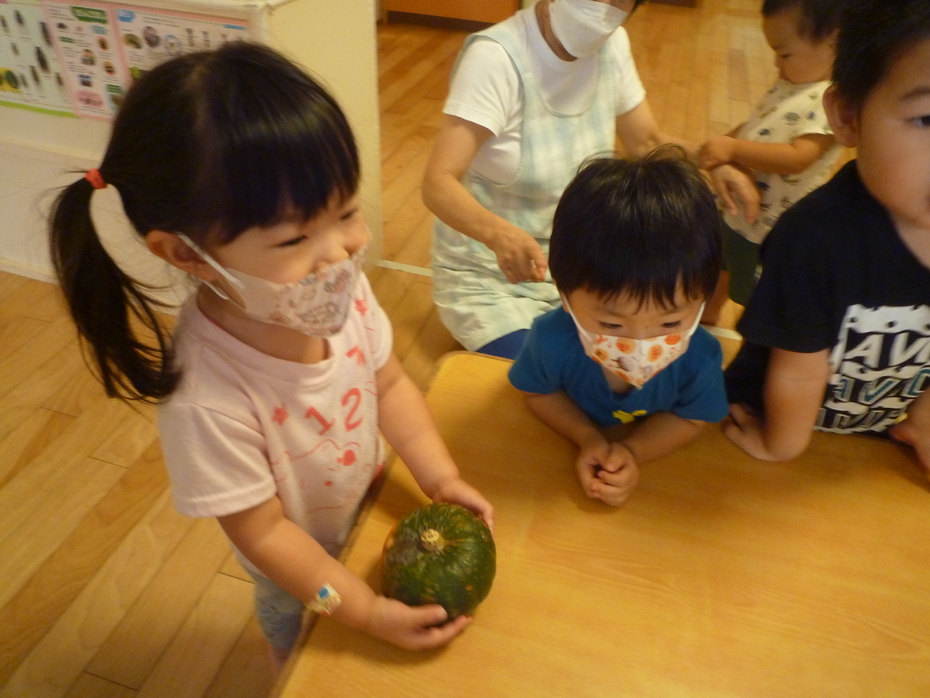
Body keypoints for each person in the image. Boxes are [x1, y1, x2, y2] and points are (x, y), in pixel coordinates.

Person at [47, 43, 494, 667]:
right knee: (306, 653)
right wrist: (361, 610)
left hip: (370, 516)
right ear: (186, 254)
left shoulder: (340, 293)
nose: (340, 253)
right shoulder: (207, 399)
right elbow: (263, 534)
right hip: (302, 576)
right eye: (294, 238)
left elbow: (389, 385)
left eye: (347, 212)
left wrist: (439, 477)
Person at [723, 0, 930, 482]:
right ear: (847, 116)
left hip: (863, 441)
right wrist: (780, 445)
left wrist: (922, 423)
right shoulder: (815, 239)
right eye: (927, 120)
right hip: (769, 421)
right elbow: (798, 369)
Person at [424, 0, 702, 359]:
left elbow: (647, 142)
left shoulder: (612, 43)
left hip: (582, 265)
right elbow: (438, 181)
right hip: (494, 275)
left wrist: (717, 158)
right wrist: (499, 234)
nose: (604, 5)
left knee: (646, 360)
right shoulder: (496, 57)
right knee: (564, 371)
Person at [508, 147, 729, 507]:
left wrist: (634, 450)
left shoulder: (701, 359)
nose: (639, 342)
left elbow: (690, 418)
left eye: (670, 322)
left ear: (704, 297)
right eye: (612, 323)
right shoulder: (550, 340)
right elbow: (539, 393)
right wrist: (587, 437)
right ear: (564, 295)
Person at [698, 0, 846, 317]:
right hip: (739, 211)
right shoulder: (792, 83)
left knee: (757, 297)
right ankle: (707, 319)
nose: (777, 64)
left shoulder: (830, 99)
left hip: (770, 229)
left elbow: (798, 157)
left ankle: (754, 341)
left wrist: (734, 150)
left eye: (785, 54)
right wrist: (726, 142)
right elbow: (759, 123)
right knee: (720, 266)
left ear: (834, 42)